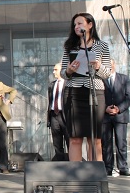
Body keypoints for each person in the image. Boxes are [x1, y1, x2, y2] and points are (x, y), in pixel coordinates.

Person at [60, 12, 111, 161]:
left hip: (95, 93)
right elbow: (63, 73)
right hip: (73, 93)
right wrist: (69, 70)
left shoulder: (102, 46)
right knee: (75, 138)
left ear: (90, 25)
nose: (77, 27)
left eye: (80, 23)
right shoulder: (69, 46)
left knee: (94, 139)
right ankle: (76, 176)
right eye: (75, 24)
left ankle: (95, 176)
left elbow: (107, 73)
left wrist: (99, 67)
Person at [102, 59, 130, 176]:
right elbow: (98, 98)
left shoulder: (124, 78)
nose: (108, 67)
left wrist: (118, 108)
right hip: (105, 117)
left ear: (114, 65)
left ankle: (123, 167)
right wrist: (105, 108)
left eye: (110, 64)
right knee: (106, 143)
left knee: (121, 142)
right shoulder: (101, 80)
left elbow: (128, 97)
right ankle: (108, 168)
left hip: (120, 116)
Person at [47, 63, 69, 161]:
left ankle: (72, 164)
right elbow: (50, 101)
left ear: (61, 70)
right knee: (57, 142)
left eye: (55, 69)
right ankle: (59, 163)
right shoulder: (52, 85)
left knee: (69, 140)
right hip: (53, 115)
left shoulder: (68, 83)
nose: (53, 72)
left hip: (65, 116)